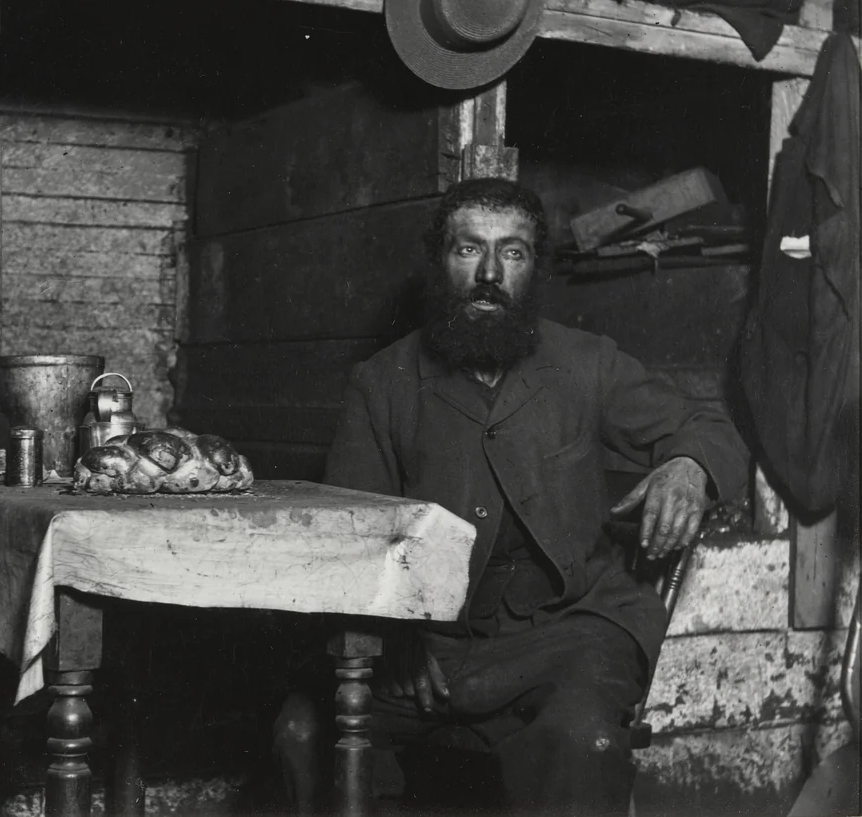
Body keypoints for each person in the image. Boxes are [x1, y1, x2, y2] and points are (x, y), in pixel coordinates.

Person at [273, 178, 749, 816]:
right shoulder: (382, 384)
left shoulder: (587, 363)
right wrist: (399, 638)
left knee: (581, 740)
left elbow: (710, 428)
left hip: (570, 631)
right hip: (430, 646)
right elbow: (354, 538)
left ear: (534, 267)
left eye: (513, 253)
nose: (490, 273)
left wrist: (689, 467)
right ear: (439, 263)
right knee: (304, 734)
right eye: (469, 250)